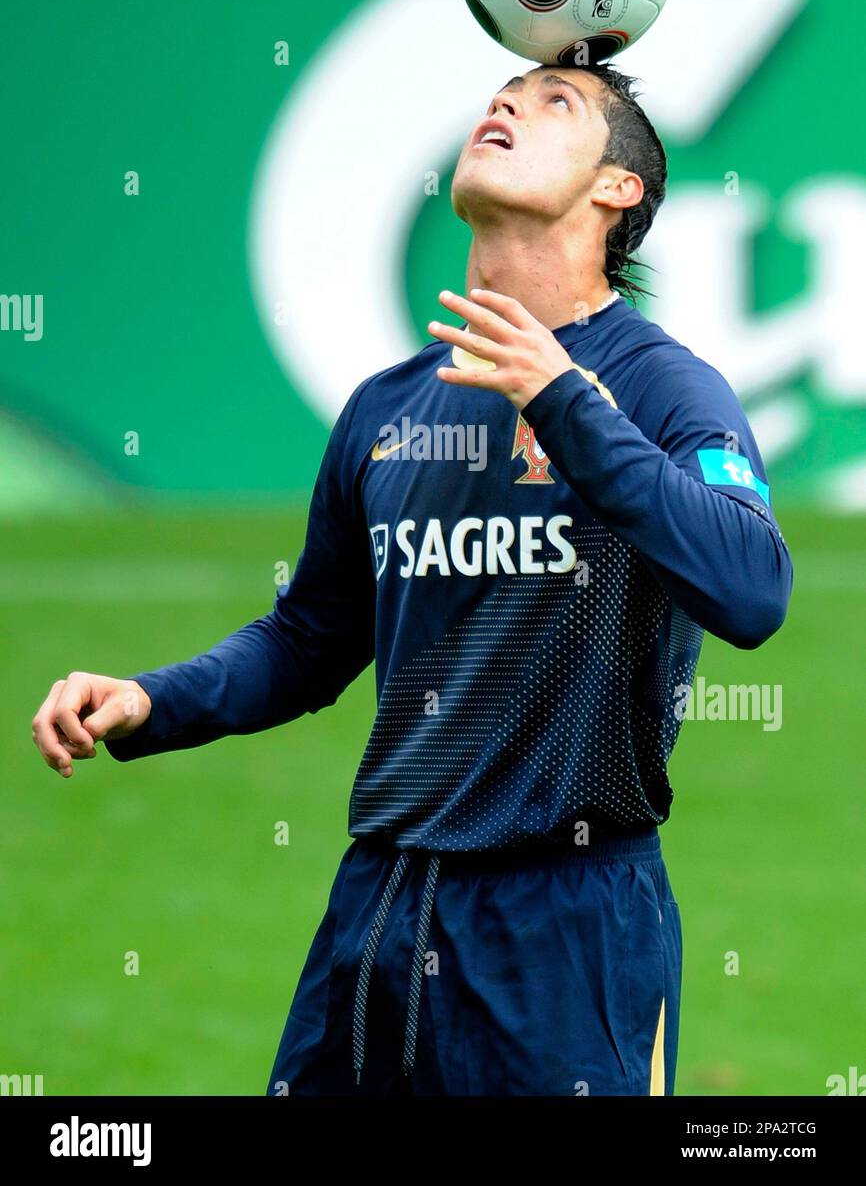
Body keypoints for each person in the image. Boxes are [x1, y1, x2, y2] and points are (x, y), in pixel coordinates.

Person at [31, 62, 793, 1096]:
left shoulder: (663, 387)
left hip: (567, 931)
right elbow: (307, 640)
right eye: (502, 93)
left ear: (619, 190)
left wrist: (562, 401)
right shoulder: (385, 410)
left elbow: (750, 587)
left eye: (554, 102)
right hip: (378, 915)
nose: (506, 105)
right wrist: (152, 698)